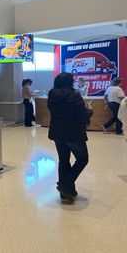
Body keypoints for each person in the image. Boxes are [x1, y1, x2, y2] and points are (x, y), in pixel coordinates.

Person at [47, 72, 93, 202]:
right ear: (70, 82)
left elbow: (52, 111)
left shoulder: (51, 94)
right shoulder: (75, 96)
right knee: (82, 159)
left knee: (64, 160)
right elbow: (82, 116)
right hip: (74, 134)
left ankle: (67, 192)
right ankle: (65, 185)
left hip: (57, 133)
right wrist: (90, 111)